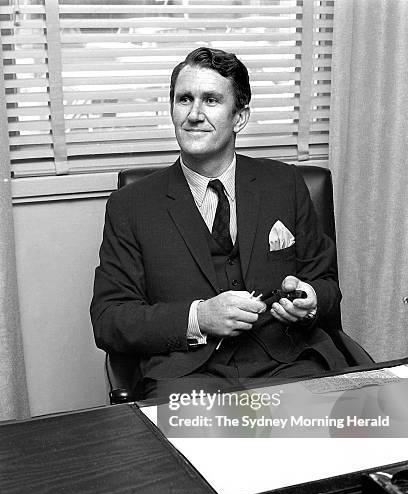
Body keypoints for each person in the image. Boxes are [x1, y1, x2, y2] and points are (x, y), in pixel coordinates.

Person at [91, 47, 348, 400]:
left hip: (291, 364)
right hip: (187, 377)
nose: (194, 114)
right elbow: (109, 320)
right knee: (208, 454)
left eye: (210, 100)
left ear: (239, 117)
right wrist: (199, 317)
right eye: (184, 99)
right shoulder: (130, 206)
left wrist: (312, 299)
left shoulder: (285, 185)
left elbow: (328, 287)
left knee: (370, 433)